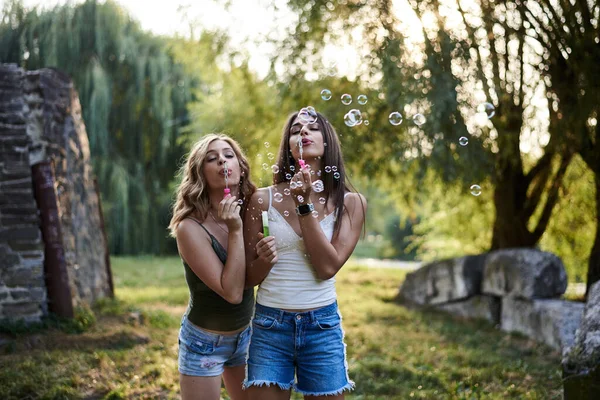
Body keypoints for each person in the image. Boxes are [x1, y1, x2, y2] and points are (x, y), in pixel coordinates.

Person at [242, 109, 367, 399]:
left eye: (313, 128)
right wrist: (263, 261)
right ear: (289, 145)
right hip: (270, 326)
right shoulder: (262, 199)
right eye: (296, 130)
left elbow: (327, 268)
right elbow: (248, 278)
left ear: (328, 142)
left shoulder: (351, 203)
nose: (304, 133)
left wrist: (303, 205)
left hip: (322, 328)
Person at [169, 133, 256, 400]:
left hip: (247, 336)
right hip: (204, 343)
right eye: (212, 158)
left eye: (229, 155)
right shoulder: (189, 227)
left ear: (241, 167)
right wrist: (234, 230)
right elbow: (231, 292)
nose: (223, 162)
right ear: (200, 172)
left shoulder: (252, 209)